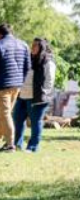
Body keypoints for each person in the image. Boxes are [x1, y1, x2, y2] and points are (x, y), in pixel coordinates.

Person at [13, 37, 56, 152]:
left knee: (35, 122)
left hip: (37, 98)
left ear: (42, 47)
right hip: (21, 96)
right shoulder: (28, 59)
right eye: (32, 45)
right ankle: (17, 145)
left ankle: (33, 147)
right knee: (17, 120)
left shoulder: (48, 62)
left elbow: (50, 80)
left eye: (35, 45)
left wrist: (43, 93)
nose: (32, 47)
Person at [0, 23, 31, 152]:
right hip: (17, 85)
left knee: (5, 114)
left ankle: (10, 145)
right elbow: (28, 67)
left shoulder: (1, 45)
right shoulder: (24, 45)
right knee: (3, 114)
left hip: (3, 85)